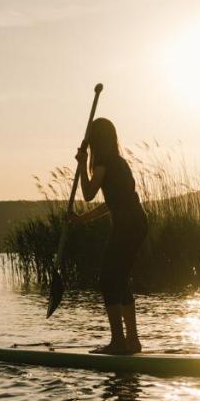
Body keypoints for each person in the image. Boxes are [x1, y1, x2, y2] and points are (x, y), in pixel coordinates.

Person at [72, 117, 148, 354]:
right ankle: (132, 342)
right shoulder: (119, 163)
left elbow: (88, 193)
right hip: (137, 223)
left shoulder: (104, 161)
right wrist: (84, 219)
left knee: (107, 280)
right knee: (120, 280)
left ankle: (118, 342)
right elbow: (112, 203)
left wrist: (82, 164)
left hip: (128, 225)